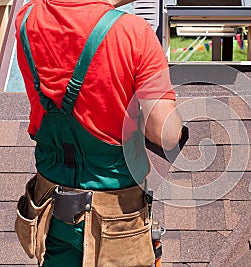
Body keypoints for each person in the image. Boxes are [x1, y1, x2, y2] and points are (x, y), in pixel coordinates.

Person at [13, 0, 182, 266]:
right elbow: (165, 134)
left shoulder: (27, 18)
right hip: (115, 222)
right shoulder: (134, 33)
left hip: (49, 214)